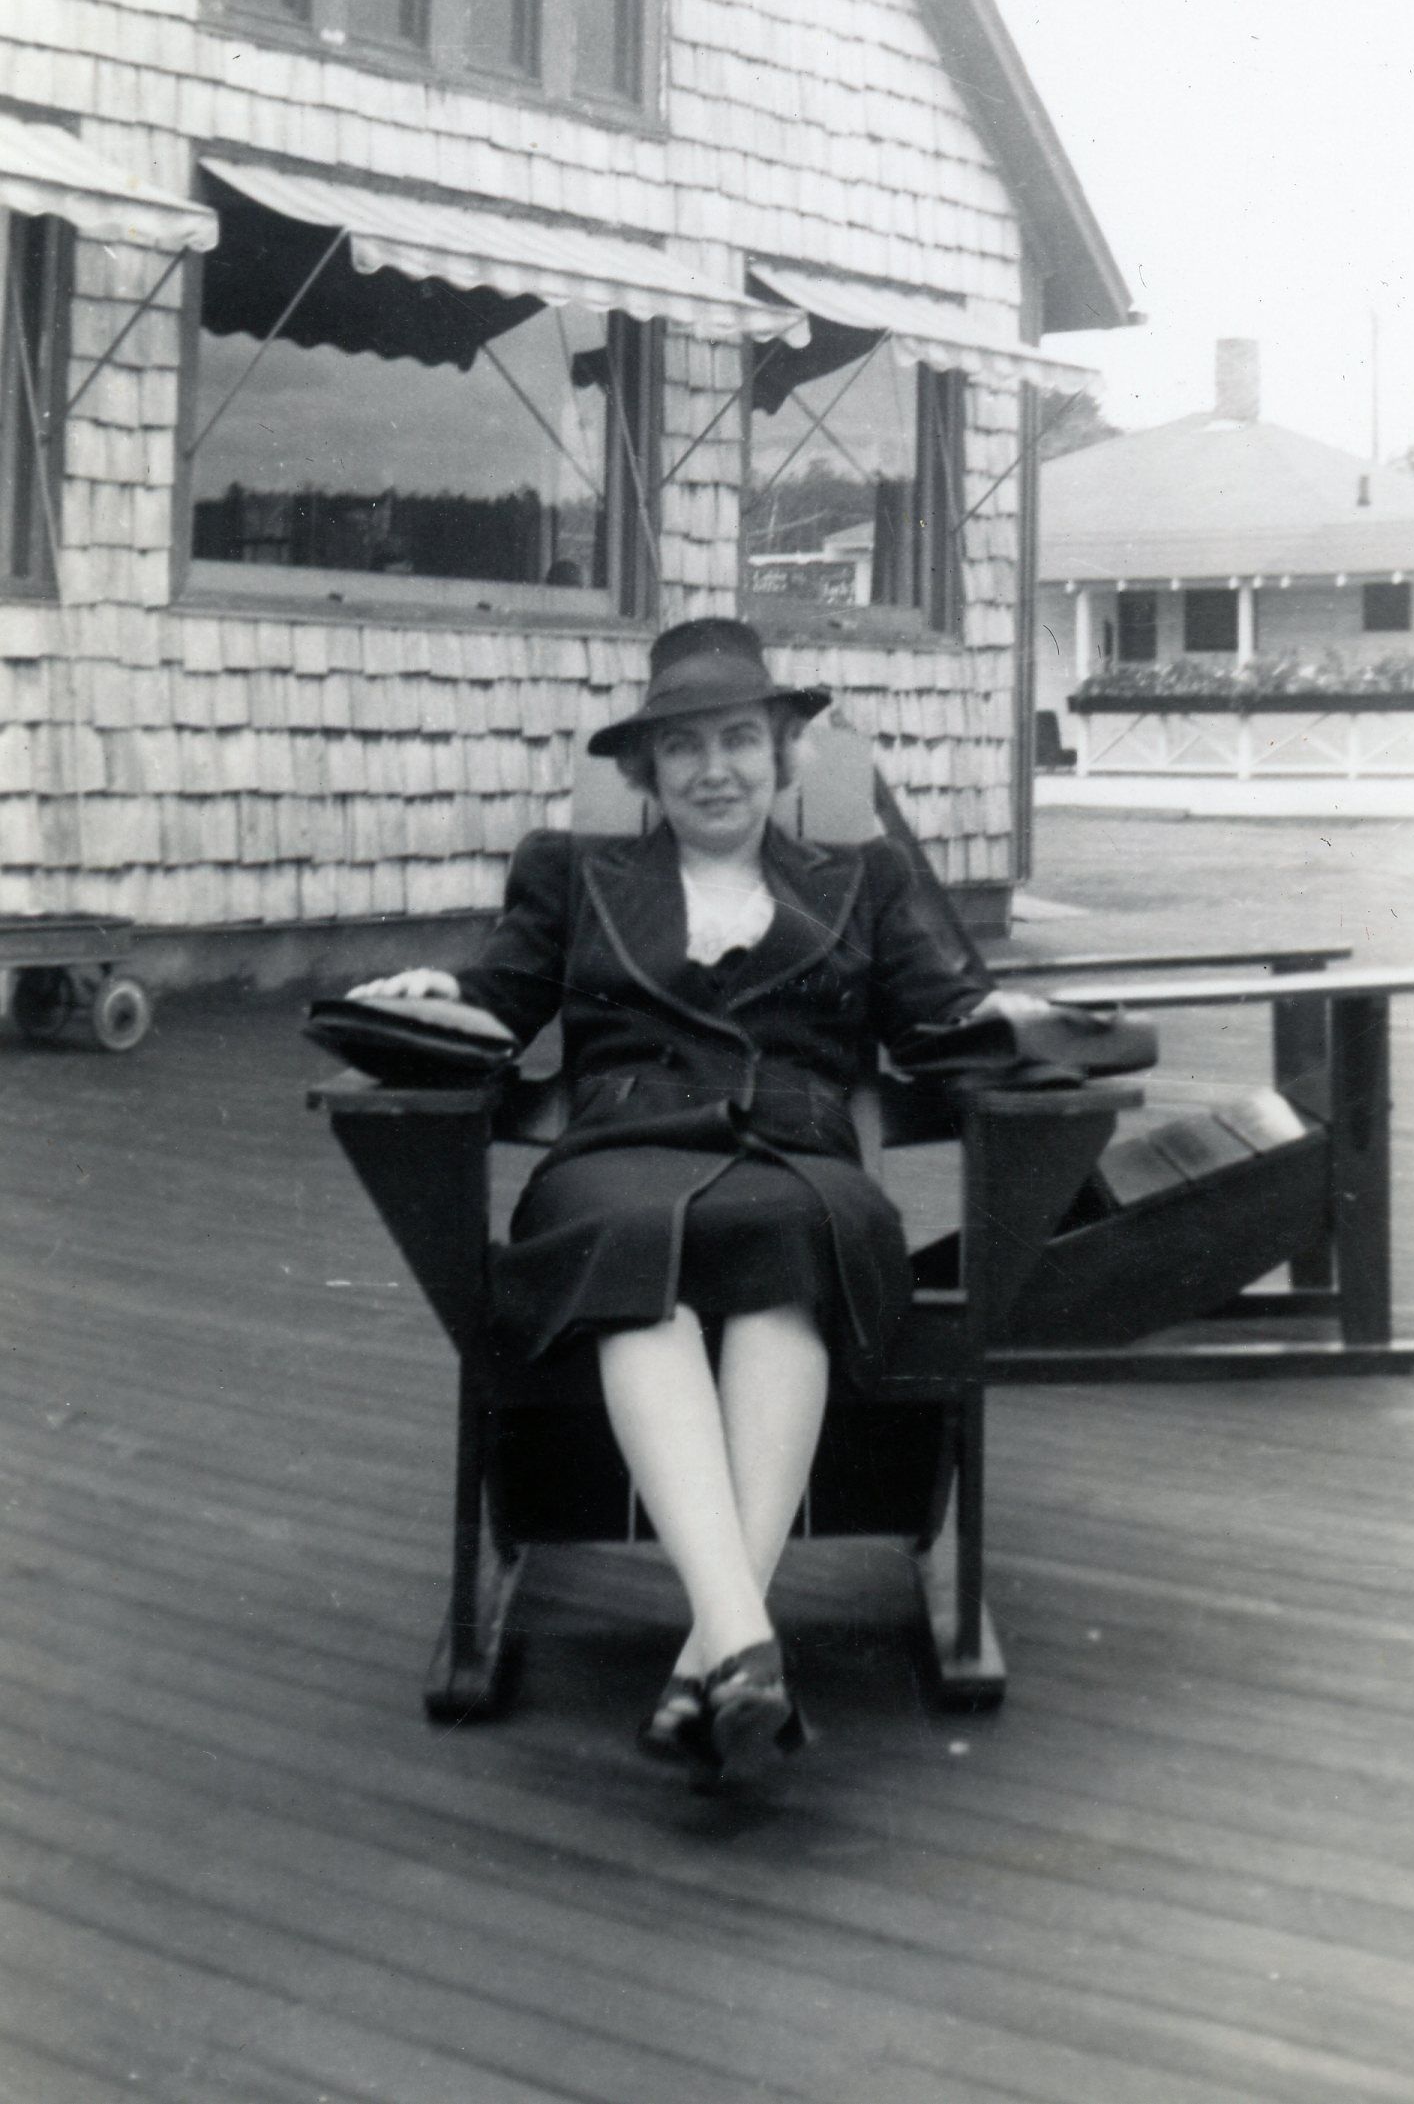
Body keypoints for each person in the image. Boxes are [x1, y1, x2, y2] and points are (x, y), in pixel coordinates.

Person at [350, 617, 1041, 1781]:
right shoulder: (574, 872)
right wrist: (439, 994)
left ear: (780, 754)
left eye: (738, 740)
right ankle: (737, 1642)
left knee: (790, 1244)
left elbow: (941, 1017)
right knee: (632, 1246)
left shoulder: (861, 877)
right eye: (682, 746)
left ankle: (714, 1652)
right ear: (645, 769)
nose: (714, 769)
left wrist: (991, 1010)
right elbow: (498, 1001)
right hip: (618, 1148)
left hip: (799, 1155)